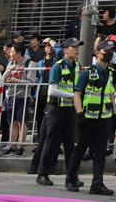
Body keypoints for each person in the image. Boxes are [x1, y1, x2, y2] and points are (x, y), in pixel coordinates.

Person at [66, 43, 116, 195]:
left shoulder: (110, 73)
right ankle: (70, 179)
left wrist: (114, 114)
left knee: (101, 153)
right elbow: (77, 94)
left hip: (104, 118)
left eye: (111, 51)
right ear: (97, 52)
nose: (109, 54)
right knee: (80, 151)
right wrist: (80, 113)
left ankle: (97, 183)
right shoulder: (87, 73)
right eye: (106, 51)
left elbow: (110, 94)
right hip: (88, 119)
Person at [33, 40, 81, 186]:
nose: (77, 50)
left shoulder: (77, 66)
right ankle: (42, 174)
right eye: (74, 47)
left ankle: (72, 177)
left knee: (70, 145)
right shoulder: (58, 66)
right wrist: (74, 95)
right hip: (55, 109)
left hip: (70, 110)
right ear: (65, 50)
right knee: (51, 142)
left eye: (78, 47)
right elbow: (52, 90)